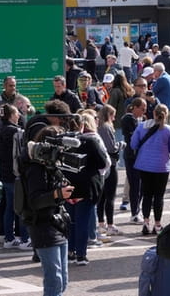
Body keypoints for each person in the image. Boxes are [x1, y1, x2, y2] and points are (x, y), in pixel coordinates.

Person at [22, 126, 74, 296]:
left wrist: (67, 193)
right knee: (54, 279)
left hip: (57, 223)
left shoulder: (52, 166)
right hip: (42, 225)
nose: (62, 152)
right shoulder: (35, 168)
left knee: (62, 279)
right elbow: (35, 200)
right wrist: (58, 193)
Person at [63, 114, 108, 266]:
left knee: (70, 221)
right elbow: (103, 162)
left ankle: (70, 251)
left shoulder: (62, 141)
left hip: (67, 186)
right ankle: (81, 255)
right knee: (82, 221)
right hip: (86, 186)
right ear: (82, 126)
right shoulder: (89, 141)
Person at [131, 104, 170, 235]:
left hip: (144, 165)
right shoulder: (168, 130)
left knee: (146, 194)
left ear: (154, 114)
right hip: (162, 167)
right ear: (166, 115)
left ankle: (146, 222)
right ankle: (157, 224)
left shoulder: (142, 126)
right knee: (159, 196)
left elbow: (133, 144)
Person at [0, 104, 30, 248]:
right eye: (16, 113)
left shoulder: (0, 129)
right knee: (21, 206)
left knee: (10, 206)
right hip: (16, 173)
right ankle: (25, 238)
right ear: (11, 115)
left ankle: (9, 238)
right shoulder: (16, 132)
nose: (19, 115)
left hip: (4, 172)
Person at [96, 104, 121, 236]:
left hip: (100, 165)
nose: (114, 118)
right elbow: (111, 148)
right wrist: (120, 145)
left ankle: (101, 223)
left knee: (102, 196)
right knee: (110, 196)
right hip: (110, 164)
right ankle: (110, 224)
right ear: (108, 115)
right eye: (113, 115)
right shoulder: (106, 127)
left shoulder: (99, 127)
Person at [121, 98, 146, 223]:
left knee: (141, 185)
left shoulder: (142, 119)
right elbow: (131, 137)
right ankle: (134, 212)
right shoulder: (128, 119)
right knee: (134, 184)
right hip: (131, 157)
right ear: (135, 107)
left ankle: (137, 209)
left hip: (141, 156)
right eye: (142, 109)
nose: (144, 111)